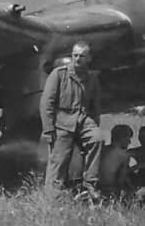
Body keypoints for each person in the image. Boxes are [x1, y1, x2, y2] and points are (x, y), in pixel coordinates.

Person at [40, 41, 104, 199]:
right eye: (75, 55)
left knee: (98, 138)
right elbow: (46, 103)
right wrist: (48, 129)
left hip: (84, 119)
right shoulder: (59, 74)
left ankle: (90, 184)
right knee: (59, 159)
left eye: (82, 56)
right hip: (62, 121)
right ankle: (53, 195)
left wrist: (94, 126)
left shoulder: (92, 78)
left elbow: (95, 106)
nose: (77, 59)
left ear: (89, 58)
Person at [98, 124, 134, 195]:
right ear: (122, 138)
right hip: (111, 192)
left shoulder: (101, 150)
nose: (130, 142)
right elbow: (121, 180)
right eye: (128, 138)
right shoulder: (124, 155)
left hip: (97, 189)